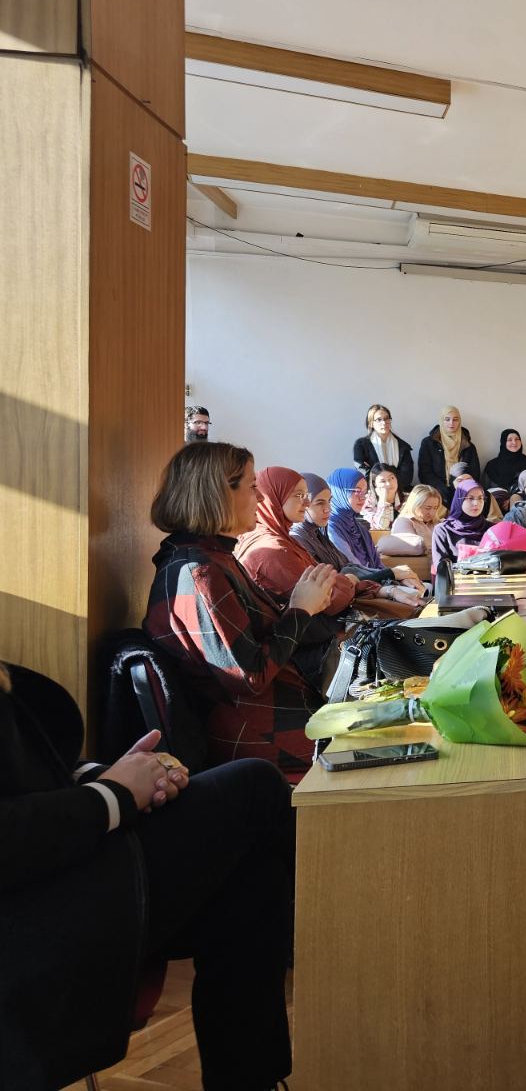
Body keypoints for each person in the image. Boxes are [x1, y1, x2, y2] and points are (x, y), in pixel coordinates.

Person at [0, 659, 294, 1091]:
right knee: (255, 793)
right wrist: (112, 796)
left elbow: (22, 772)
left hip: (51, 871)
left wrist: (116, 776)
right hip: (24, 923)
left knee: (247, 862)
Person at [143, 443, 339, 779]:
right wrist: (300, 610)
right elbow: (249, 676)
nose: (261, 498)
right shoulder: (199, 572)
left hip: (280, 713)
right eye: (252, 487)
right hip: (261, 735)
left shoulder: (214, 557)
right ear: (217, 495)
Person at [237, 466, 416, 619]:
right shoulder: (274, 548)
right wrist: (362, 580)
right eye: (299, 495)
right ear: (273, 498)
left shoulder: (303, 535)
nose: (306, 503)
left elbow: (344, 572)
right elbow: (329, 597)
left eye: (306, 496)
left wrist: (382, 586)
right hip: (318, 633)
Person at [291, 472, 405, 588]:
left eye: (329, 501)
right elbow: (340, 579)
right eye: (357, 491)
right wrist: (390, 579)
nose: (328, 509)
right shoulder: (317, 533)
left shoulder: (319, 534)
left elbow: (350, 568)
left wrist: (393, 579)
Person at [431, 478, 491, 574]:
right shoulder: (443, 530)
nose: (476, 503)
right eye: (470, 498)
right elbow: (442, 567)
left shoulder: (492, 529)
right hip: (457, 581)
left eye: (480, 498)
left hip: (490, 581)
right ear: (459, 500)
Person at [417, 405, 481, 493]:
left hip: (462, 491)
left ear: (459, 421)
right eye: (447, 419)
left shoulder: (468, 446)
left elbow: (475, 474)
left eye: (455, 419)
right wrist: (441, 489)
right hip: (435, 492)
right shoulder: (428, 443)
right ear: (441, 421)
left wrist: (460, 487)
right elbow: (424, 473)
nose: (451, 423)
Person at [352, 403, 415, 490]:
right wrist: (393, 472)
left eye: (386, 418)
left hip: (399, 490)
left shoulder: (403, 446)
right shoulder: (361, 445)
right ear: (371, 423)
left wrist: (376, 472)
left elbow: (407, 477)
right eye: (379, 419)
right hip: (373, 491)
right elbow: (363, 473)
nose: (384, 422)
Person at [383, 484, 443, 557]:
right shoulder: (403, 521)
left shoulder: (439, 523)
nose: (432, 512)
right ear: (415, 505)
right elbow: (411, 546)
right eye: (428, 508)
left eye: (435, 508)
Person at [484, 428, 526, 495]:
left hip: (522, 500)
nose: (514, 442)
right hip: (497, 499)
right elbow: (484, 491)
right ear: (504, 442)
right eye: (510, 440)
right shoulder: (492, 465)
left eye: (517, 439)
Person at [360, 463, 402, 531]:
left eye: (391, 478)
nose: (388, 483)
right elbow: (382, 526)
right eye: (383, 481)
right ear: (375, 484)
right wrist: (383, 501)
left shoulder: (408, 499)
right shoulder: (368, 503)